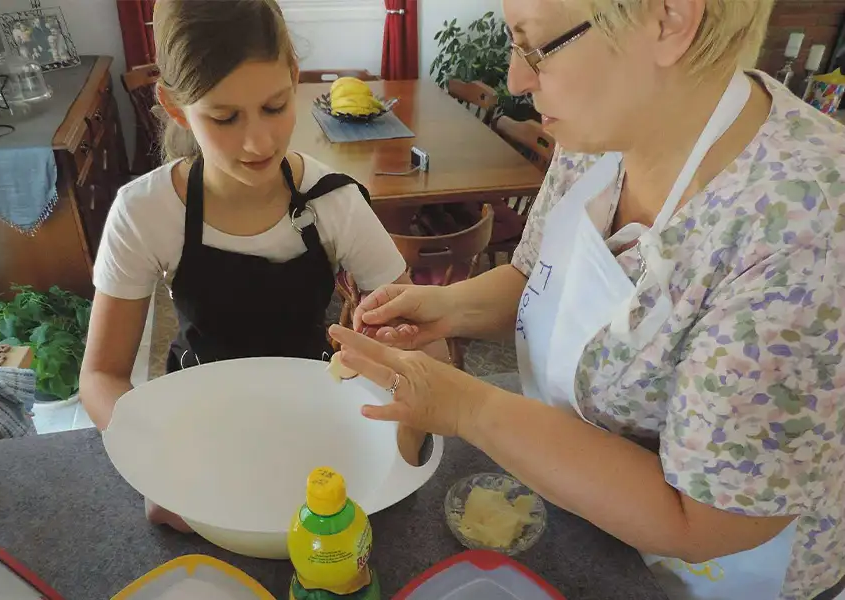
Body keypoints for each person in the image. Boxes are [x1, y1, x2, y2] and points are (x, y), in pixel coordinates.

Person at [328, 1, 845, 599]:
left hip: (708, 571)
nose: (517, 80)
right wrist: (448, 308)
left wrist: (467, 407)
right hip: (586, 516)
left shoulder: (806, 227)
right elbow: (538, 276)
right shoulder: (602, 128)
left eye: (536, 47)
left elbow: (707, 519)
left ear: (668, 19)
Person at [80, 0, 424, 531]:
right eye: (224, 118)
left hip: (320, 424)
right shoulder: (145, 211)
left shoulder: (334, 201)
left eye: (274, 106)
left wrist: (398, 418)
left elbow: (422, 335)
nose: (259, 142)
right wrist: (157, 461)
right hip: (201, 429)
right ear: (175, 108)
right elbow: (101, 375)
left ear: (293, 77)